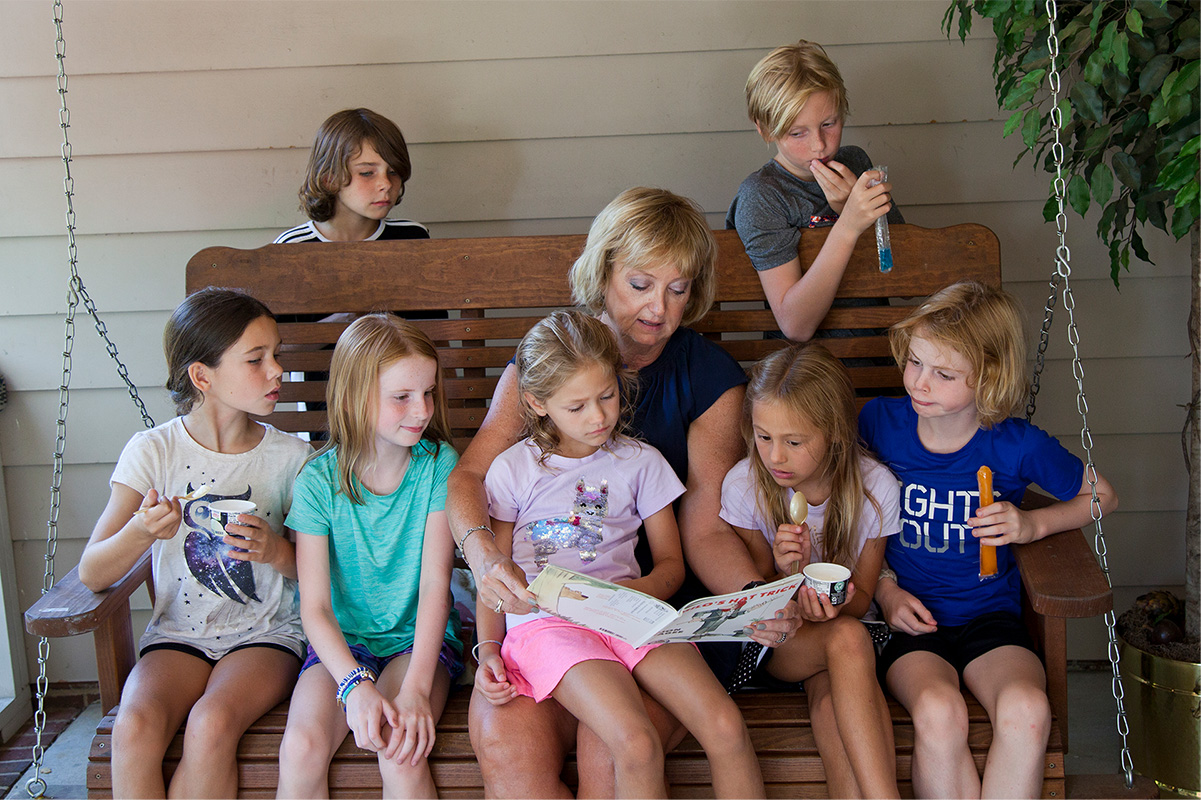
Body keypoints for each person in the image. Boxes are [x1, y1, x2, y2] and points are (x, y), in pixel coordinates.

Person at [447, 187, 796, 796]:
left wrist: (748, 598)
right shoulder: (556, 357)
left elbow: (704, 529)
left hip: (657, 612)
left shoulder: (707, 377)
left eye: (678, 288)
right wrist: (483, 560)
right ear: (603, 271)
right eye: (640, 284)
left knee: (611, 751)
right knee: (507, 743)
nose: (659, 308)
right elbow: (471, 476)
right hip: (547, 612)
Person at [474, 310, 764, 799]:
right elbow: (494, 577)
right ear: (537, 403)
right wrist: (487, 651)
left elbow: (671, 564)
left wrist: (643, 591)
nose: (599, 416)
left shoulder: (640, 461)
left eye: (607, 396)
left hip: (632, 614)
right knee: (635, 742)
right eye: (578, 406)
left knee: (725, 726)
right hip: (548, 625)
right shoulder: (512, 470)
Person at [859, 281, 1119, 799]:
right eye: (914, 363)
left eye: (944, 373)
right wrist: (884, 590)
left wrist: (1031, 526)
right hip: (909, 621)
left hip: (990, 616)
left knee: (1027, 710)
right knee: (939, 711)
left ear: (989, 378)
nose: (920, 383)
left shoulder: (1015, 445)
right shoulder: (879, 425)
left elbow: (1102, 496)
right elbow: (846, 516)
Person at [77, 288, 311, 798]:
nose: (277, 371)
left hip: (265, 635)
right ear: (202, 377)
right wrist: (142, 531)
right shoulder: (153, 451)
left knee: (210, 723)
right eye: (256, 360)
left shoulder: (292, 458)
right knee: (133, 728)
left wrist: (274, 551)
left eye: (277, 356)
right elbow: (93, 572)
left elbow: (322, 570)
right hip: (176, 637)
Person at [276, 314, 463, 798]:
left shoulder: (438, 466)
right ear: (354, 397)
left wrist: (418, 690)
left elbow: (432, 588)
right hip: (343, 644)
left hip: (415, 644)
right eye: (401, 397)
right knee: (300, 746)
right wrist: (354, 685)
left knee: (400, 747)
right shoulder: (318, 482)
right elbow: (314, 608)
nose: (421, 410)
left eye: (428, 392)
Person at [719, 342, 900, 798]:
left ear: (835, 432)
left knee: (828, 704)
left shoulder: (875, 488)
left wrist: (828, 607)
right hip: (778, 645)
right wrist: (784, 573)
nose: (775, 457)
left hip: (844, 633)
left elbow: (860, 602)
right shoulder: (746, 485)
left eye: (794, 442)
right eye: (763, 437)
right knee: (846, 642)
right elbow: (753, 599)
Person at [726, 40, 903, 342]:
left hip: (879, 355)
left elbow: (904, 275)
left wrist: (859, 211)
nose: (819, 145)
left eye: (829, 124)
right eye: (797, 132)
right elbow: (796, 326)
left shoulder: (856, 163)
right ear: (766, 129)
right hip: (804, 376)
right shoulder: (762, 196)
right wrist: (848, 221)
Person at [275, 108, 429, 243]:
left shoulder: (413, 236)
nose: (386, 184)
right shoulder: (291, 247)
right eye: (367, 173)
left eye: (393, 172)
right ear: (329, 180)